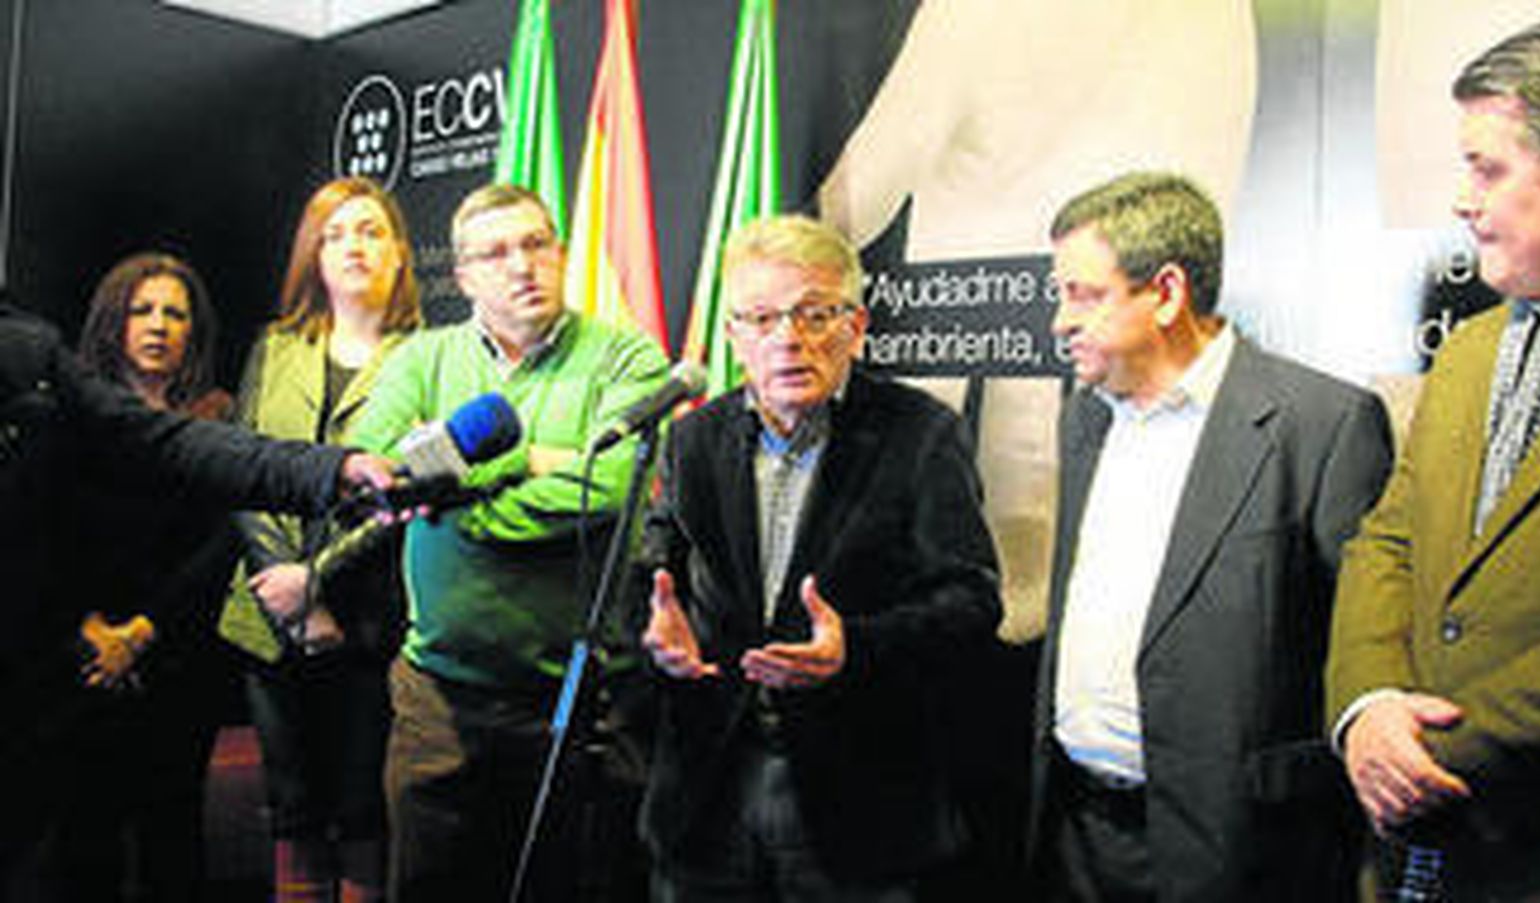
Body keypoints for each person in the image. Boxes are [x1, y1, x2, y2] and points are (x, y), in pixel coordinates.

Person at [1028, 172, 1393, 901]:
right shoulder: (1086, 417)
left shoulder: (1322, 424)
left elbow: (1362, 639)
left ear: (1165, 292)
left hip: (1239, 848)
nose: (1060, 322)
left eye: (1083, 294)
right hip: (1077, 835)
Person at [637, 214, 1003, 902]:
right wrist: (657, 626)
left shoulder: (921, 434)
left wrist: (854, 647)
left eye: (814, 314)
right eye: (763, 317)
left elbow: (972, 600)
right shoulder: (693, 439)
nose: (788, 339)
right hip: (708, 788)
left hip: (857, 799)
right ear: (732, 332)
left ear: (856, 325)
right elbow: (653, 571)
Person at [1326, 16, 1540, 899]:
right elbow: (1387, 543)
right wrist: (1366, 711)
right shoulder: (1470, 350)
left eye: (1487, 167)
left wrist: (1425, 750)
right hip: (1416, 860)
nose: (1461, 198)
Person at [0, 294, 395, 895]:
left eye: (174, 314)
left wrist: (327, 470)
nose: (157, 326)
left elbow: (168, 441)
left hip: (46, 686)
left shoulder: (25, 350)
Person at [349, 183, 670, 902]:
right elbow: (378, 467)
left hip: (581, 701)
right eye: (495, 253)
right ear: (462, 276)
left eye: (535, 244)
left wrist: (459, 501)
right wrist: (527, 459)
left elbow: (610, 486)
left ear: (560, 253)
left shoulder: (628, 360)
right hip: (439, 696)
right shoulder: (421, 360)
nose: (521, 265)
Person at [219, 176, 420, 903]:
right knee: (292, 811)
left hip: (370, 623)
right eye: (334, 232)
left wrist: (320, 586)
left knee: (365, 811)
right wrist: (285, 586)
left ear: (400, 252)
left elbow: (401, 497)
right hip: (267, 619)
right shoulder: (274, 348)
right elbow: (242, 469)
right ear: (313, 254)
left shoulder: (426, 357)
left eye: (369, 229)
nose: (352, 245)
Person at [28, 253, 239, 901]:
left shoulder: (219, 418)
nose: (158, 325)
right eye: (142, 310)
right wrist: (89, 631)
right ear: (112, 321)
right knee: (79, 844)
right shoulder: (64, 416)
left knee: (173, 844)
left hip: (177, 663)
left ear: (194, 331)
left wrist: (143, 633)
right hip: (80, 663)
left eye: (175, 313)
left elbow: (220, 544)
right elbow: (42, 539)